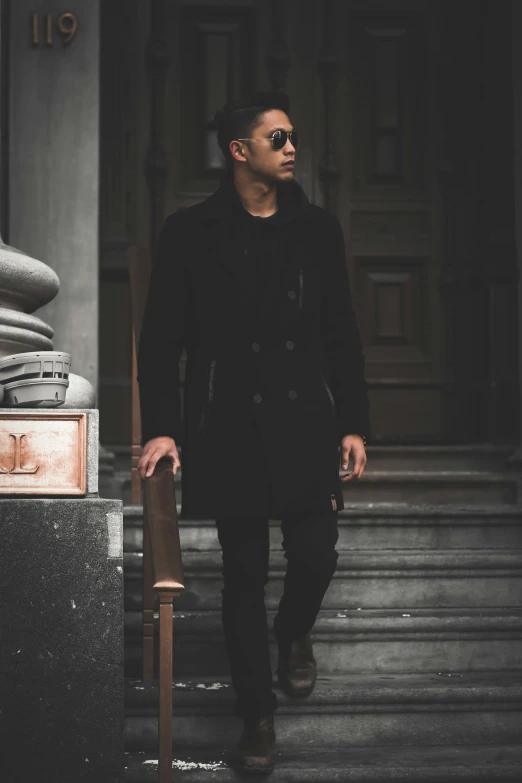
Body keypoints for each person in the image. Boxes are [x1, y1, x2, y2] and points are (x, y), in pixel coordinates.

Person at [137, 91, 371, 776]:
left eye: (293, 135)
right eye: (278, 138)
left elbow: (342, 335)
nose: (293, 146)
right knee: (243, 576)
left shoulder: (317, 229)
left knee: (316, 554)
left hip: (306, 426)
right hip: (228, 426)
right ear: (240, 151)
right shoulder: (190, 233)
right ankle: (256, 720)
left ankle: (293, 631)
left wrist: (354, 421)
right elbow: (160, 344)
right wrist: (164, 431)